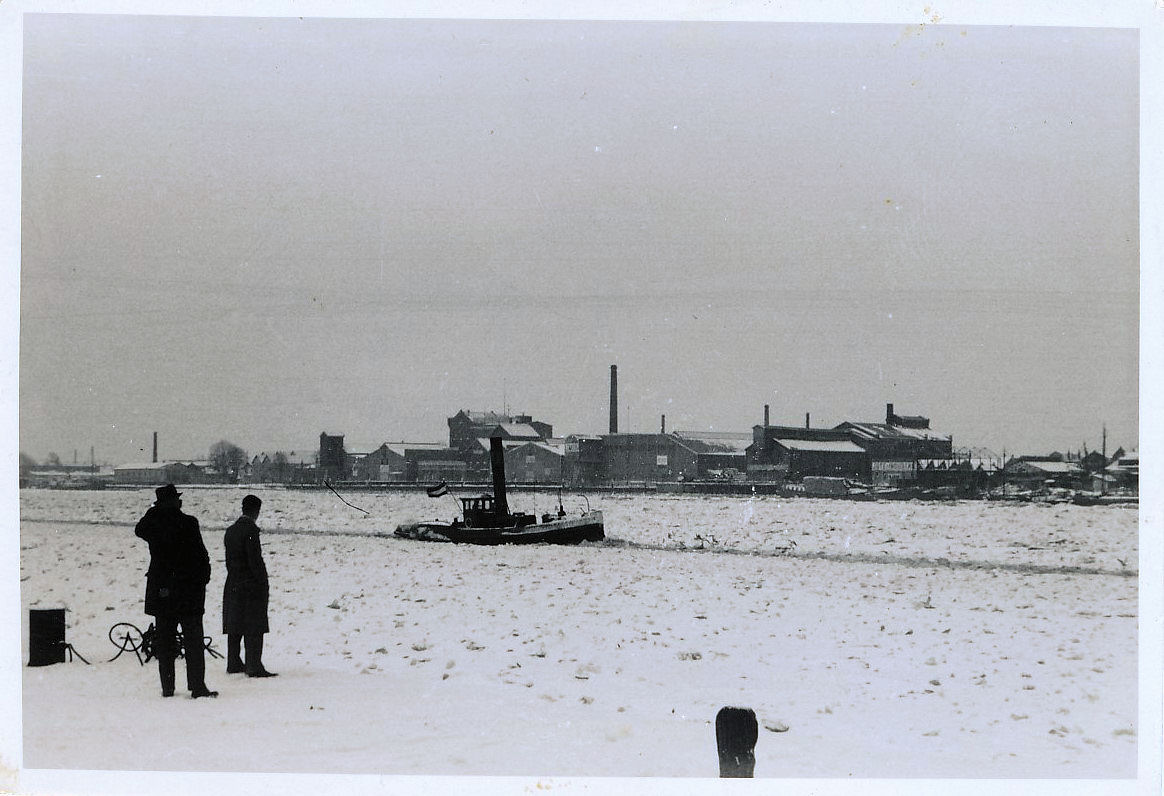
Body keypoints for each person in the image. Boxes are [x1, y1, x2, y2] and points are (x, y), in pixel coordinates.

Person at [134, 484, 217, 698]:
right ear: (175, 502)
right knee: (193, 642)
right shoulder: (189, 522)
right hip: (189, 590)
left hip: (164, 591)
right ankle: (197, 686)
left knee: (165, 643)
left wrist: (155, 509)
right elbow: (201, 554)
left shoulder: (154, 524)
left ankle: (168, 687)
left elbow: (139, 528)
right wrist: (203, 578)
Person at [223, 494, 276, 677]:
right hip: (251, 584)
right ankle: (254, 665)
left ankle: (233, 662)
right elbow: (255, 560)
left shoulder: (231, 531)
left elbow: (229, 561)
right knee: (254, 625)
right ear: (256, 511)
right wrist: (262, 581)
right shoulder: (251, 531)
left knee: (234, 624)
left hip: (233, 581)